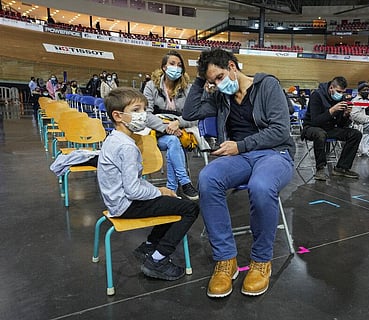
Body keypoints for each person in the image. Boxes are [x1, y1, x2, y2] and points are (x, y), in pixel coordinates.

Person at [183, 48, 295, 298]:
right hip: (240, 156)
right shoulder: (221, 96)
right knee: (207, 178)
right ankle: (225, 260)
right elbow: (189, 114)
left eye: (220, 77)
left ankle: (261, 260)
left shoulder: (268, 86)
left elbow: (280, 131)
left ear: (233, 66)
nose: (218, 85)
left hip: (274, 153)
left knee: (261, 185)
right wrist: (202, 78)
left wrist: (240, 145)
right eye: (213, 81)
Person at [97, 87, 199, 280]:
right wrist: (160, 191)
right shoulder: (127, 147)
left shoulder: (114, 139)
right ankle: (157, 260)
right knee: (189, 209)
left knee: (173, 204)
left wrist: (160, 193)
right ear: (118, 116)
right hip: (126, 205)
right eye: (136, 110)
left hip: (117, 202)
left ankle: (150, 246)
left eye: (144, 109)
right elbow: (134, 190)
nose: (142, 115)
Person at [143, 50, 201, 201]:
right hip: (156, 132)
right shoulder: (150, 86)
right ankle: (185, 182)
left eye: (179, 65)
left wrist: (178, 123)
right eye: (172, 64)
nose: (176, 67)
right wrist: (166, 127)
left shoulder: (187, 88)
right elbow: (146, 115)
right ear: (164, 67)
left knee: (173, 142)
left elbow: (194, 116)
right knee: (172, 141)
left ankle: (171, 189)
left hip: (178, 133)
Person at [301, 76, 362, 181]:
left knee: (356, 134)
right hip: (311, 127)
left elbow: (341, 125)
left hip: (330, 128)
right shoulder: (317, 96)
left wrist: (345, 115)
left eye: (343, 92)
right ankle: (320, 169)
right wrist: (332, 110)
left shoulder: (341, 99)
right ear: (331, 88)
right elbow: (315, 121)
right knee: (320, 134)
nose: (341, 95)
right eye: (338, 91)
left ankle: (342, 168)